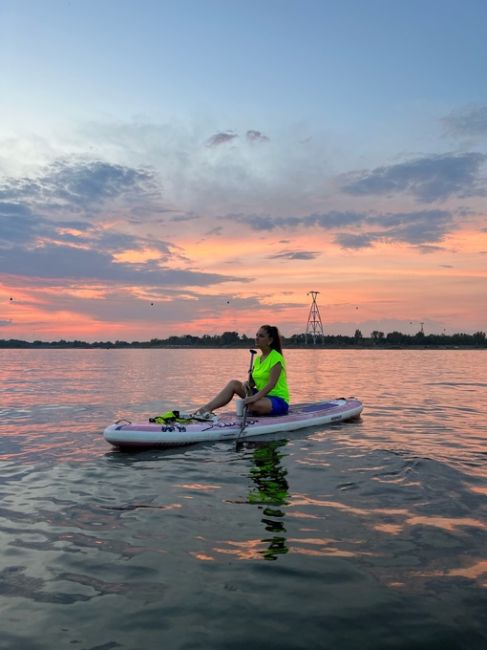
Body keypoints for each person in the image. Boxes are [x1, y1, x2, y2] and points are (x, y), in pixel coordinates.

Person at [195, 325, 290, 418]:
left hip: (277, 400)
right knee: (234, 384)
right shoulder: (257, 360)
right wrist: (247, 384)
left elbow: (271, 384)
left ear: (270, 340)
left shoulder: (276, 358)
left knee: (253, 405)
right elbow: (253, 383)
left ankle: (255, 408)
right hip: (261, 396)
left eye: (261, 336)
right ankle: (205, 409)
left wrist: (253, 398)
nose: (256, 338)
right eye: (256, 335)